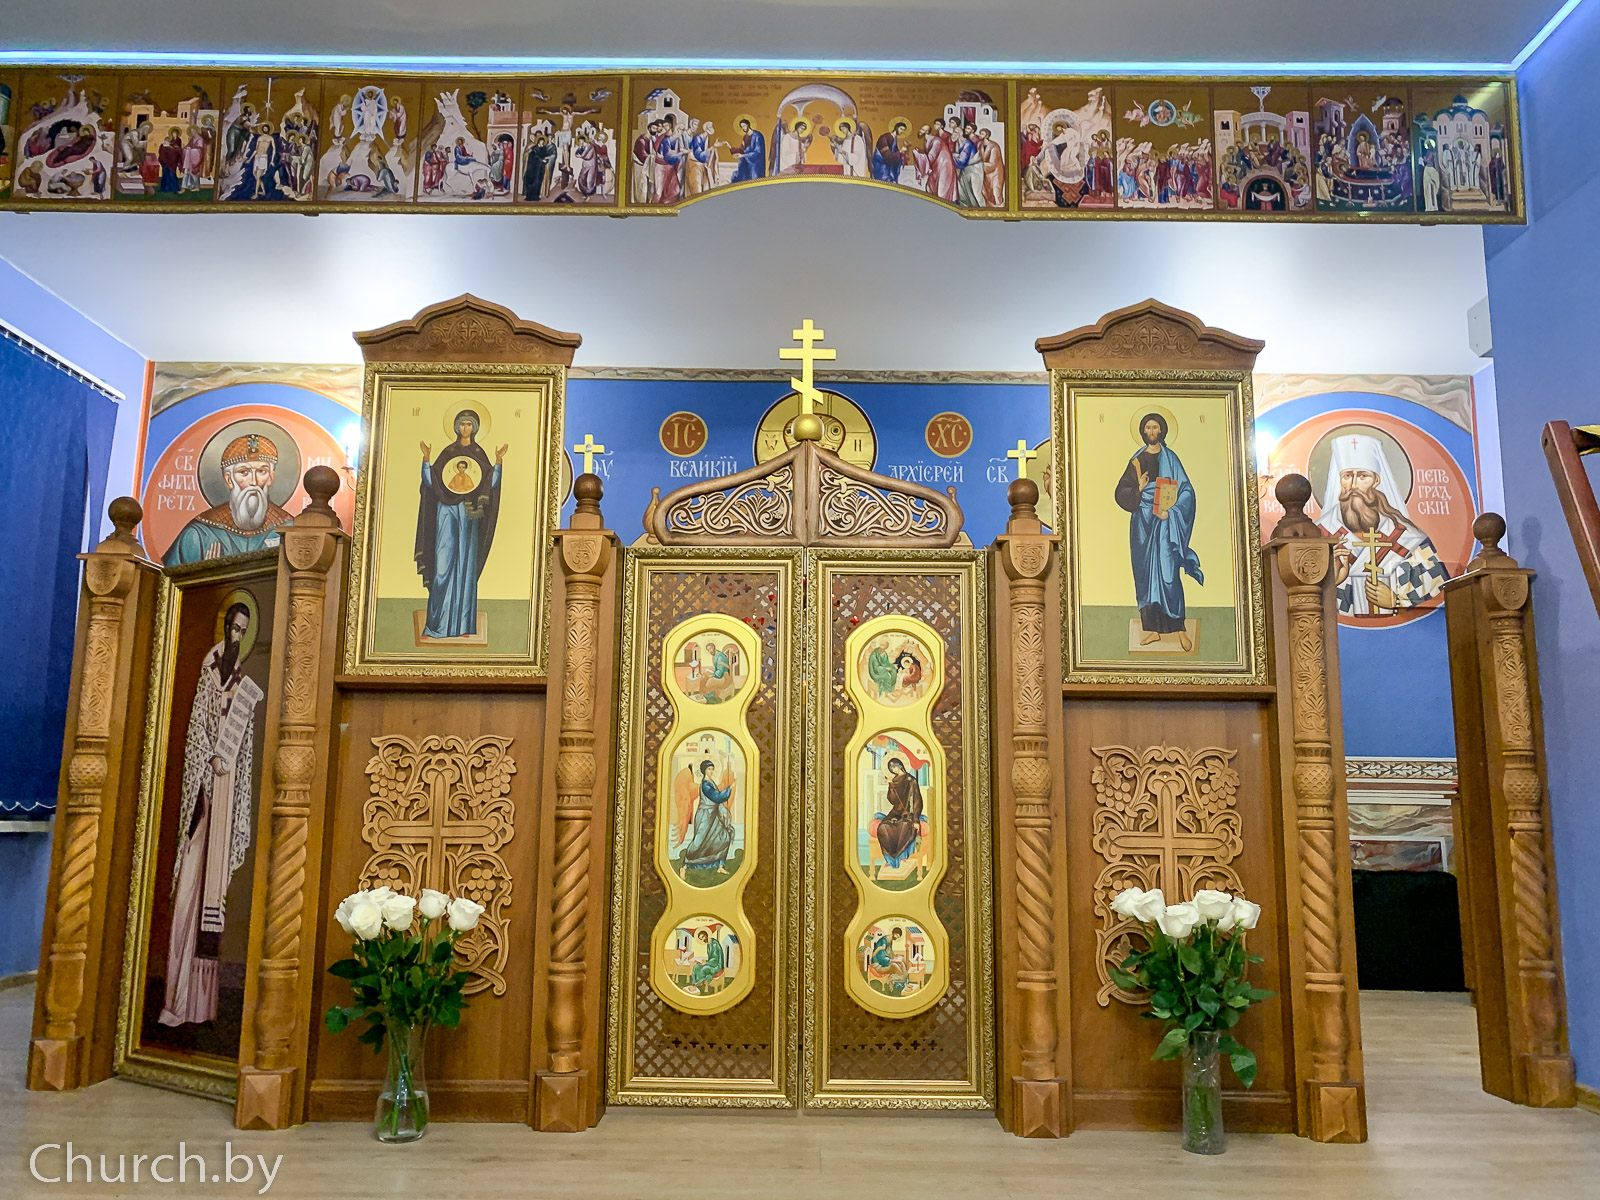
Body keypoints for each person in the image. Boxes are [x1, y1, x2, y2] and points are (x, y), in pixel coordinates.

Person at [159, 599, 263, 1026]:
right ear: (225, 627)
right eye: (233, 628)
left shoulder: (243, 682)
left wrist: (230, 763)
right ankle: (176, 999)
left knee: (214, 897)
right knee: (189, 888)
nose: (236, 636)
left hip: (227, 788)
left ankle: (201, 1007)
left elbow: (245, 743)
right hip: (204, 788)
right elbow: (196, 733)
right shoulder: (208, 670)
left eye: (243, 631)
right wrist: (211, 761)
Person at [1315, 433, 1451, 617]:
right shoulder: (1319, 535)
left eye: (1362, 476)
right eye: (1347, 476)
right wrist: (1332, 582)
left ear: (1377, 481)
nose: (1353, 485)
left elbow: (1440, 595)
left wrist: (1397, 601)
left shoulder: (1410, 539)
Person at [415, 410, 506, 639]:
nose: (465, 428)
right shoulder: (448, 453)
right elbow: (431, 482)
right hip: (445, 511)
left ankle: (463, 626)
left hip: (468, 513)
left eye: (469, 424)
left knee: (465, 566)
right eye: (462, 424)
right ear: (456, 428)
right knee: (443, 564)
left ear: (475, 428)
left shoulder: (478, 454)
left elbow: (490, 483)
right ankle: (435, 625)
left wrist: (498, 462)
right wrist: (426, 459)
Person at [1114, 413, 1201, 651]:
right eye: (1148, 428)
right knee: (1145, 577)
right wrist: (1139, 489)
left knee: (1168, 573)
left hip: (1165, 523)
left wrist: (1170, 512)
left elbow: (1187, 491)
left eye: (1155, 428)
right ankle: (1152, 630)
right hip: (1143, 524)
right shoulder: (1136, 461)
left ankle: (1179, 629)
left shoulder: (1171, 459)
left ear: (1161, 430)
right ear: (1143, 432)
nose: (1151, 432)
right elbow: (1121, 492)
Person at [164, 433, 294, 565]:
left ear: (270, 478)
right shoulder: (198, 535)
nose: (254, 482)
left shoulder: (290, 530)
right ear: (229, 480)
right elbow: (170, 576)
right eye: (244, 472)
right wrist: (203, 574)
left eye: (262, 472)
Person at [680, 758, 735, 875]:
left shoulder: (711, 782)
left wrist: (722, 810)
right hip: (705, 816)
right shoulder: (705, 784)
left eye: (712, 769)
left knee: (724, 837)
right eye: (709, 769)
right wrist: (729, 789)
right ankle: (684, 866)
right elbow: (716, 797)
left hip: (714, 815)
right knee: (698, 842)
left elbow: (716, 802)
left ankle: (720, 865)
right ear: (704, 770)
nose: (711, 771)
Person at [874, 757, 925, 870]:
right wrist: (891, 785)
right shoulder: (895, 780)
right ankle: (890, 860)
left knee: (904, 826)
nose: (894, 770)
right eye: (891, 769)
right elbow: (892, 800)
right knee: (883, 827)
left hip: (908, 813)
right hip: (895, 812)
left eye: (894, 767)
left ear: (900, 765)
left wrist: (916, 819)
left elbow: (917, 800)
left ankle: (902, 857)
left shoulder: (911, 780)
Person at [731, 117, 765, 183]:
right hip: (746, 162)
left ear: (748, 124)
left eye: (744, 126)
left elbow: (758, 152)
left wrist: (743, 155)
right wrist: (734, 151)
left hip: (755, 165)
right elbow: (742, 150)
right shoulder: (745, 137)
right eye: (741, 127)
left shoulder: (757, 136)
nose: (743, 128)